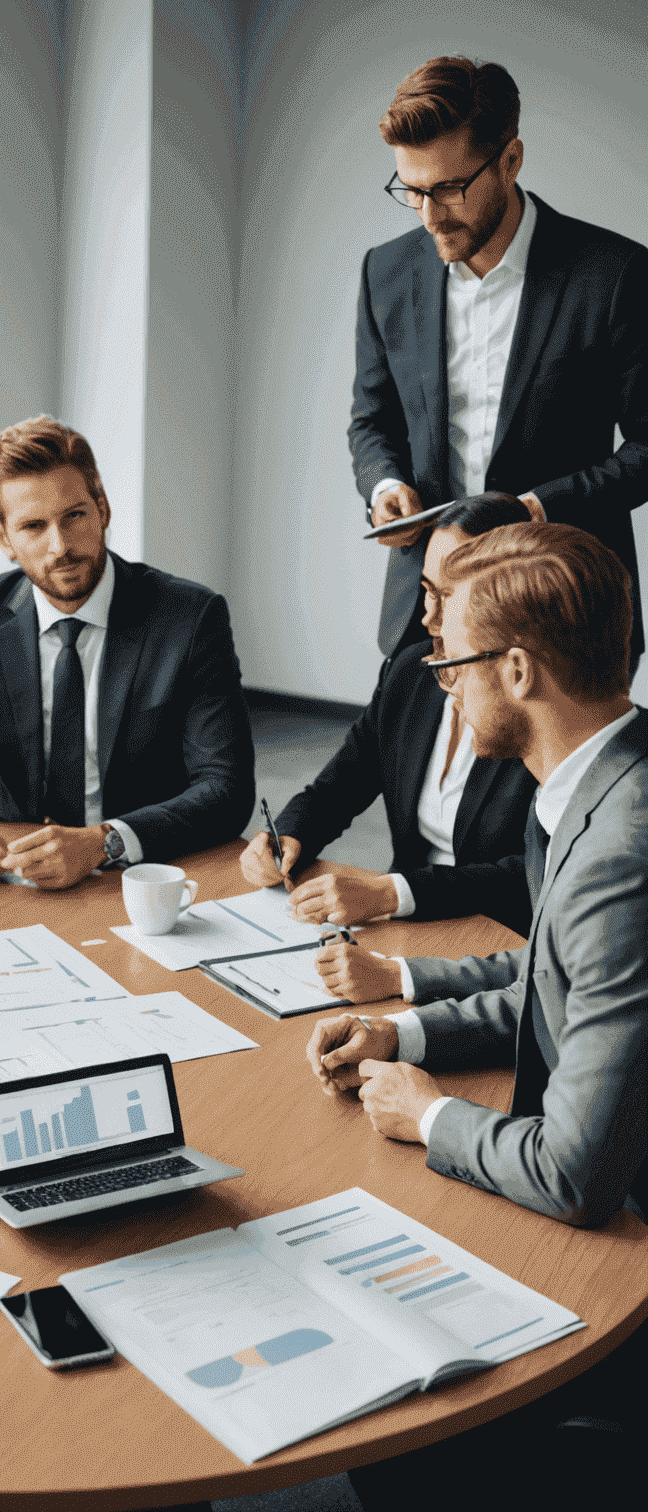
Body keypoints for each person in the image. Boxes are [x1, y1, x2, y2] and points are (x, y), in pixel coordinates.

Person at [304, 527, 645, 1512]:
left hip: (622, 1238)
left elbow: (575, 1175)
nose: (440, 682)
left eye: (452, 661)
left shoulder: (623, 844)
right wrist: (404, 1033)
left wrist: (427, 1116)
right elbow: (556, 982)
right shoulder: (603, 776)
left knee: (391, 1403)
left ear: (521, 669)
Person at [350, 56, 648, 660]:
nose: (429, 215)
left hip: (566, 609)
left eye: (449, 189)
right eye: (411, 190)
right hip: (424, 611)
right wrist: (384, 484)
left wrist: (533, 510)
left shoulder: (617, 275)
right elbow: (372, 418)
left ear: (510, 161)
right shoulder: (386, 271)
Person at [0, 416, 254, 887]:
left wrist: (104, 842)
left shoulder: (189, 618)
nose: (61, 546)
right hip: (18, 875)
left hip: (145, 875)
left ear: (102, 509)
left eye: (75, 516)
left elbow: (226, 789)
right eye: (33, 526)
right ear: (4, 539)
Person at [241, 494, 536, 1003]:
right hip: (401, 931)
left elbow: (530, 875)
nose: (429, 617)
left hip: (498, 948)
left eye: (449, 595)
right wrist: (288, 834)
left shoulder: (531, 703)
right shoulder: (413, 671)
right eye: (426, 590)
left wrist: (389, 892)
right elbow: (342, 782)